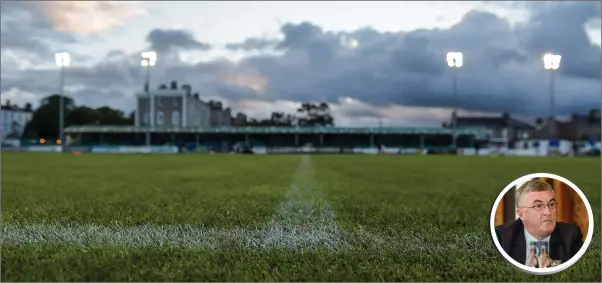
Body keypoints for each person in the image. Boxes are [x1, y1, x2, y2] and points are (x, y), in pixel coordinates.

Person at [495, 179, 584, 268]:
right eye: (538, 206)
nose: (548, 212)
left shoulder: (571, 235)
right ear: (522, 214)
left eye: (551, 204)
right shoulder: (502, 237)